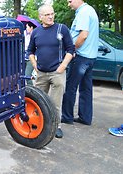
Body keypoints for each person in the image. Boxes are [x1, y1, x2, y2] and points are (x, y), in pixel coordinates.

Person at [27, 4, 75, 138]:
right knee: (38, 101)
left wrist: (63, 66)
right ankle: (39, 124)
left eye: (52, 14)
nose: (50, 17)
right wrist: (35, 64)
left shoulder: (62, 29)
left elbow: (71, 49)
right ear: (40, 17)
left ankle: (56, 126)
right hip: (41, 73)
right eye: (47, 14)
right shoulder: (36, 32)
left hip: (57, 73)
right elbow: (30, 51)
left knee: (55, 102)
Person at [61, 0, 99, 126]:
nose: (69, 4)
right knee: (86, 89)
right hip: (91, 57)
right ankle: (85, 117)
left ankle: (67, 117)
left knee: (70, 87)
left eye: (70, 1)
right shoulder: (91, 10)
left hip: (81, 56)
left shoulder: (83, 12)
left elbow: (83, 35)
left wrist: (72, 50)